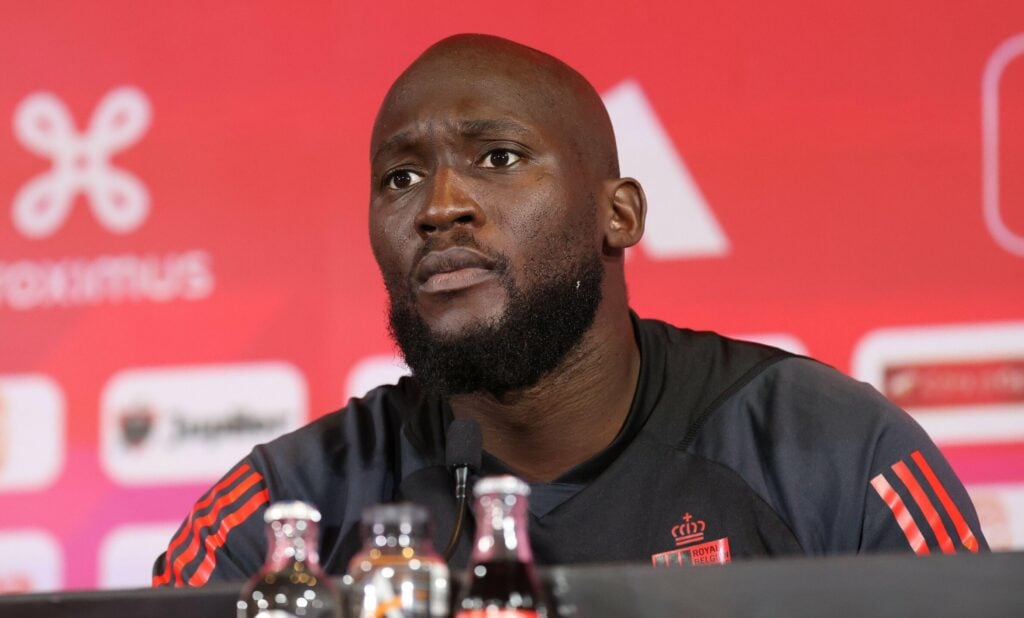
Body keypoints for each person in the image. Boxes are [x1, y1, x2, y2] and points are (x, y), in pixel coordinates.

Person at [153, 34, 986, 587]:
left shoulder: (828, 448)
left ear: (617, 214)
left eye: (499, 157)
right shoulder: (289, 508)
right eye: (400, 178)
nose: (439, 207)